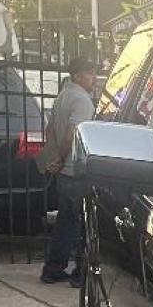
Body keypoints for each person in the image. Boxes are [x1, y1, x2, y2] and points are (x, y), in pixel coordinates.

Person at [38, 58, 99, 284]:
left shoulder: (63, 95)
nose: (94, 79)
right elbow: (72, 134)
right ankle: (80, 272)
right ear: (77, 75)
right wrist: (62, 158)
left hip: (64, 171)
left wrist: (54, 158)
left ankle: (53, 268)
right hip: (76, 169)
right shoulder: (82, 100)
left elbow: (50, 129)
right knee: (81, 223)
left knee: (65, 221)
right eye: (90, 74)